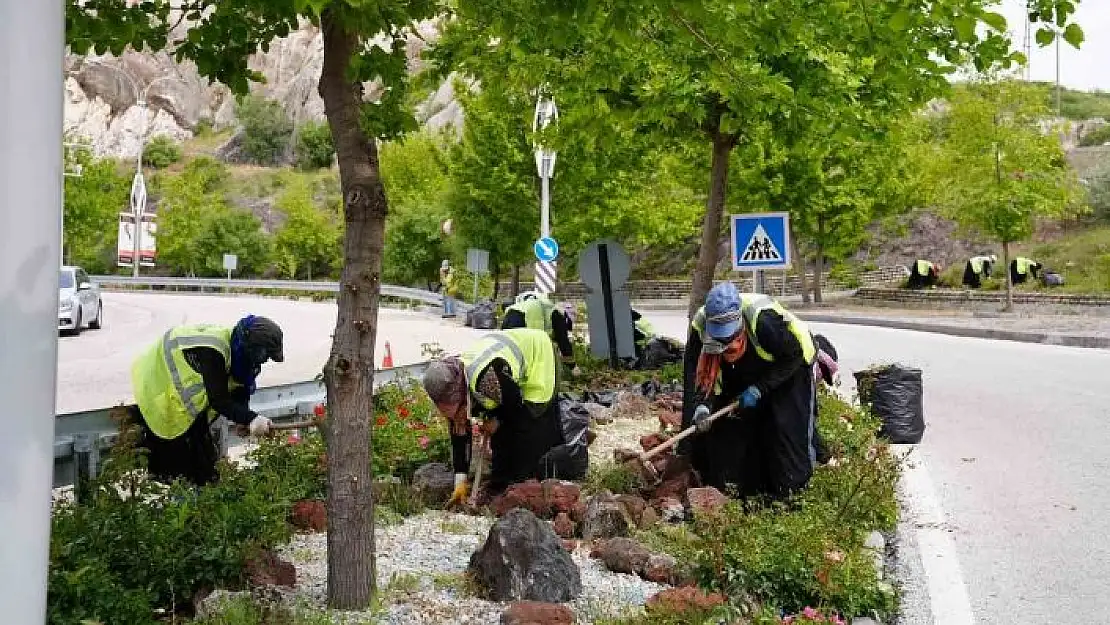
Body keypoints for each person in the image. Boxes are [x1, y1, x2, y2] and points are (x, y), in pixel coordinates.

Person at [680, 282, 818, 500]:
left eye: (730, 337)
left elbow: (793, 357)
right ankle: (749, 493)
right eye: (720, 339)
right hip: (747, 365)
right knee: (731, 428)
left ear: (739, 322)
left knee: (787, 429)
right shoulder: (700, 328)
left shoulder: (763, 322)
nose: (726, 343)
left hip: (792, 363)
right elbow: (698, 375)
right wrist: (702, 406)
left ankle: (794, 497)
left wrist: (759, 389)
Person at [422, 328, 589, 505]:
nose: (458, 417)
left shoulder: (485, 378)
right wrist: (460, 482)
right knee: (501, 440)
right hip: (504, 380)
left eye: (458, 411)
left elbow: (515, 408)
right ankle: (502, 485)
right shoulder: (452, 388)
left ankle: (531, 482)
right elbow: (460, 434)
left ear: (462, 394)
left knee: (530, 426)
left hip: (538, 355)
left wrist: (498, 422)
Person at [129, 315, 285, 486]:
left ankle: (197, 496)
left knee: (204, 469)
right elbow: (219, 400)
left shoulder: (238, 352)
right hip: (159, 388)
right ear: (250, 348)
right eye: (263, 355)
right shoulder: (213, 351)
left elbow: (239, 386)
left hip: (184, 404)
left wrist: (242, 417)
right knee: (179, 469)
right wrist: (250, 418)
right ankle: (178, 497)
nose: (263, 361)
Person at [501, 290, 579, 375]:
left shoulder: (544, 307)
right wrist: (573, 366)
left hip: (510, 315)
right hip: (523, 324)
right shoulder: (557, 314)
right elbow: (563, 342)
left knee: (509, 353)